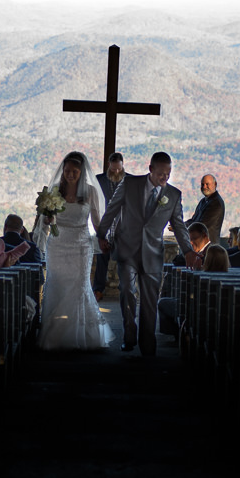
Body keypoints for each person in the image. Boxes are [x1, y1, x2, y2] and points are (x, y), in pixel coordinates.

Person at [99, 151, 192, 356]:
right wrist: (100, 234)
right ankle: (128, 334)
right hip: (127, 249)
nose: (165, 178)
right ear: (150, 169)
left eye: (168, 174)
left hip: (152, 253)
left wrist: (189, 251)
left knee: (150, 301)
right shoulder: (130, 184)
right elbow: (112, 209)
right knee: (127, 292)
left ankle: (147, 343)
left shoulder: (173, 195)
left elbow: (179, 226)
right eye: (161, 174)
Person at [33, 152, 114, 351]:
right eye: (67, 171)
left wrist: (103, 237)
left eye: (74, 172)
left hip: (81, 244)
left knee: (79, 287)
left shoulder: (90, 192)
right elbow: (46, 220)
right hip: (58, 244)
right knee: (57, 286)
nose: (70, 175)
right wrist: (48, 219)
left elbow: (96, 220)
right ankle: (55, 334)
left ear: (81, 172)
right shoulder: (54, 191)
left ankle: (81, 333)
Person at [92, 152, 126, 300]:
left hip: (123, 226)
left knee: (125, 260)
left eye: (119, 169)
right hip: (104, 225)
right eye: (113, 169)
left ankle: (125, 289)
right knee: (102, 257)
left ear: (123, 165)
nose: (116, 172)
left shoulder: (130, 180)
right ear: (108, 166)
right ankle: (98, 290)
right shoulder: (98, 180)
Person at [188, 174, 226, 244]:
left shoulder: (216, 203)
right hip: (199, 245)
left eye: (207, 184)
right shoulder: (203, 201)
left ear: (215, 184)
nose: (204, 187)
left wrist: (181, 228)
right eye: (202, 184)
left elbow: (202, 225)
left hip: (209, 247)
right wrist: (180, 225)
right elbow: (194, 220)